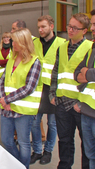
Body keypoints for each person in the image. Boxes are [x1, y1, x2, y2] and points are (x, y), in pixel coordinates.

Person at [49, 13, 92, 169]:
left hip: (80, 105)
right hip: (61, 102)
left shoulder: (90, 47)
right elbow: (55, 72)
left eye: (75, 28)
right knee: (65, 140)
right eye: (69, 26)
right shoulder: (62, 47)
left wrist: (81, 103)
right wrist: (52, 94)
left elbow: (90, 78)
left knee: (86, 142)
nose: (70, 30)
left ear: (84, 30)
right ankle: (65, 166)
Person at [0, 28, 42, 169]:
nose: (13, 44)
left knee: (24, 143)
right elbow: (2, 81)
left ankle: (23, 166)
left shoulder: (34, 62)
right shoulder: (12, 58)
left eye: (15, 42)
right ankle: (18, 165)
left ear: (24, 43)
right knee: (6, 140)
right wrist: (3, 100)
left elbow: (29, 87)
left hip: (23, 110)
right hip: (7, 108)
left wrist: (7, 99)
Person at [30, 15, 65, 165]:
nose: (40, 30)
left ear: (52, 26)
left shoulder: (62, 43)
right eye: (38, 27)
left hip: (53, 89)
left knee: (52, 123)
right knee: (34, 122)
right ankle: (37, 151)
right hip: (37, 89)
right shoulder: (34, 43)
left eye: (43, 27)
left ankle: (48, 151)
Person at [74, 9, 95, 169]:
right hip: (87, 111)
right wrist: (87, 74)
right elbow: (78, 73)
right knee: (90, 155)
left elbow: (86, 73)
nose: (93, 28)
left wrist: (87, 73)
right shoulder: (92, 49)